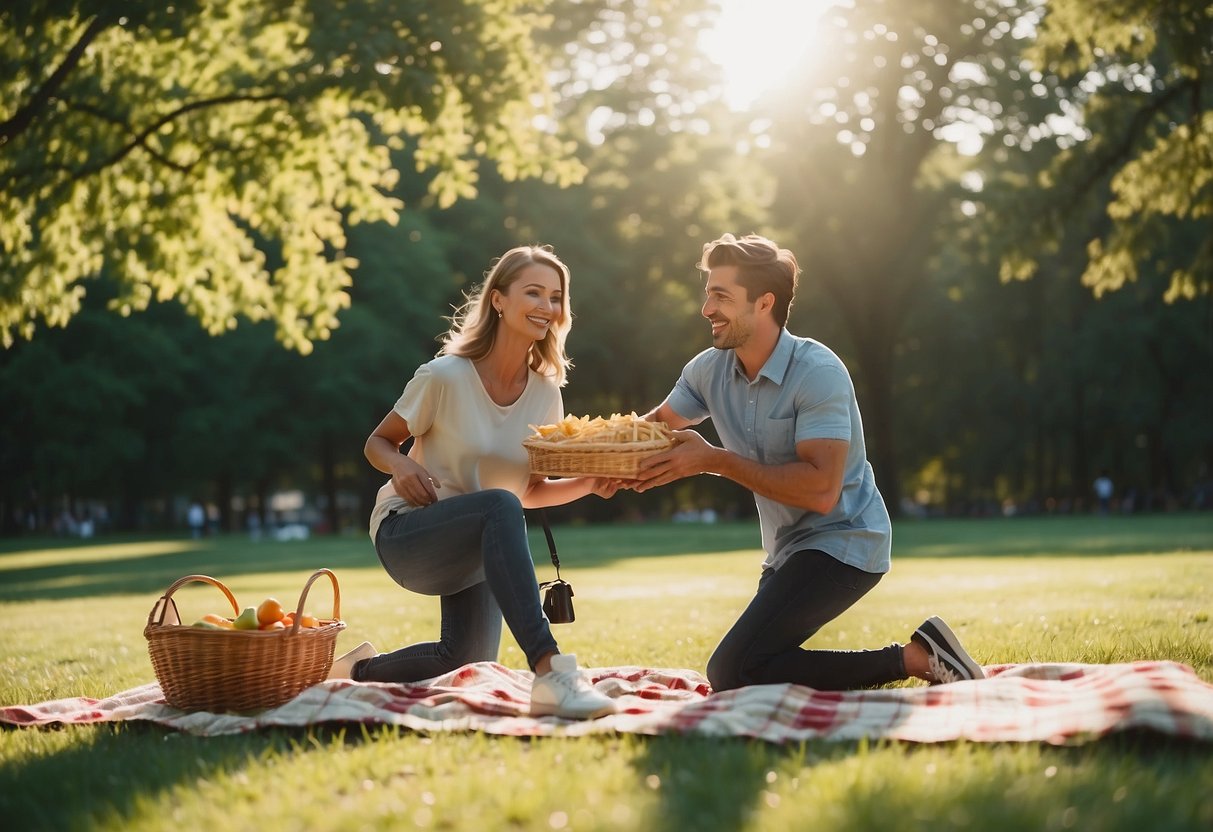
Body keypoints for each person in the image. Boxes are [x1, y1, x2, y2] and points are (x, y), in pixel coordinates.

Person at [630, 233, 985, 692]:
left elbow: (821, 491)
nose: (706, 308)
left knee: (731, 670)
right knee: (749, 671)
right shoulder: (707, 370)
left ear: (763, 303)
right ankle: (927, 651)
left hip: (845, 543)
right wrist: (569, 462)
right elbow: (650, 430)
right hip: (786, 553)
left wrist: (714, 461)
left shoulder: (817, 372)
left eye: (721, 296)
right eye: (708, 293)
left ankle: (911, 659)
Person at [328, 244, 621, 720]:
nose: (547, 307)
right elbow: (378, 442)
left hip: (482, 536)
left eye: (555, 297)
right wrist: (401, 466)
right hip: (409, 532)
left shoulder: (546, 392)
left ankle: (355, 671)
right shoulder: (444, 376)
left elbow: (528, 493)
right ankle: (552, 671)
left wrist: (589, 482)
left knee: (464, 660)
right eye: (533, 293)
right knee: (497, 506)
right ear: (498, 300)